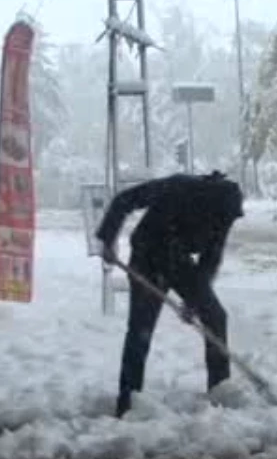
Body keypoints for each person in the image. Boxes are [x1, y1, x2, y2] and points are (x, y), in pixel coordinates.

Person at [95, 171, 245, 418]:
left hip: (179, 261)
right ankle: (128, 401)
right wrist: (108, 239)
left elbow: (211, 256)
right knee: (140, 330)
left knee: (216, 317)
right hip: (147, 257)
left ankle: (220, 388)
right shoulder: (177, 187)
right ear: (209, 202)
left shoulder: (223, 212)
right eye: (224, 217)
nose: (225, 223)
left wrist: (194, 300)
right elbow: (123, 200)